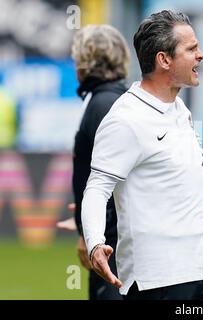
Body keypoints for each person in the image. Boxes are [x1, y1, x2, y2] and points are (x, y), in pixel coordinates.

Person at [81, 10, 203, 300]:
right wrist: (95, 243)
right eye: (191, 49)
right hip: (158, 282)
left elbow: (188, 170)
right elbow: (97, 188)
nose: (202, 55)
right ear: (164, 60)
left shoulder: (178, 108)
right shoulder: (125, 120)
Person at [70, 24, 130, 300]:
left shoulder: (103, 104)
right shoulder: (111, 100)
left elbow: (111, 180)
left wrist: (91, 233)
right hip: (113, 237)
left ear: (85, 63)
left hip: (111, 243)